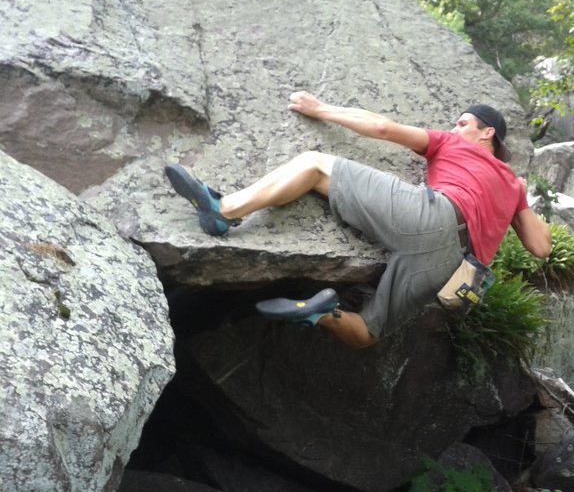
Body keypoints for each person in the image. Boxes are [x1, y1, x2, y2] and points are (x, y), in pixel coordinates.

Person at [165, 91, 551, 349]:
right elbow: (541, 247)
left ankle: (224, 210)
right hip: (450, 269)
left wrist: (319, 110)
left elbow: (383, 128)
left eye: (463, 123)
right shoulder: (512, 184)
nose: (454, 128)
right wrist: (524, 195)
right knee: (369, 332)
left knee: (314, 164)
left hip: (429, 216)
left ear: (488, 134)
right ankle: (321, 315)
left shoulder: (452, 145)